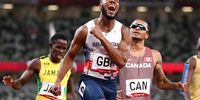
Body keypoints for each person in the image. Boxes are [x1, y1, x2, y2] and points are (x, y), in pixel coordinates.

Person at [50, 0, 130, 99]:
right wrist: (58, 81)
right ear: (100, 6)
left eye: (116, 0)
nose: (113, 1)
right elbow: (70, 56)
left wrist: (101, 38)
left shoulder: (124, 31)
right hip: (90, 80)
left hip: (111, 84)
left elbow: (121, 62)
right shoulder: (84, 30)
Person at [118, 19, 184, 100]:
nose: (137, 28)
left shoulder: (155, 55)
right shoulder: (120, 52)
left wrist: (176, 85)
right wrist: (112, 93)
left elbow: (161, 82)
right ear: (129, 31)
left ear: (146, 35)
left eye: (141, 27)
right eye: (134, 26)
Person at [2, 33, 76, 100]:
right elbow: (20, 83)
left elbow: (69, 92)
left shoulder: (69, 66)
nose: (61, 51)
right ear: (50, 46)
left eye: (64, 48)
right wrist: (12, 83)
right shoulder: (38, 63)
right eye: (58, 47)